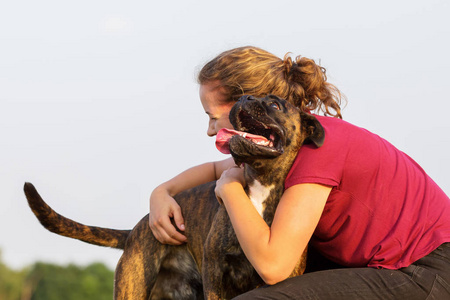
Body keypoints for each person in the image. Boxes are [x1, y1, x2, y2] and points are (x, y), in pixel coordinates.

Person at [149, 46, 450, 299]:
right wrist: (163, 192)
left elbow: (273, 266)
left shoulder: (314, 149)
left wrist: (229, 190)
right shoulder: (284, 141)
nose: (210, 130)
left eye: (212, 117)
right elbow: (217, 168)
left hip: (426, 270)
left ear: (247, 103)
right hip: (388, 263)